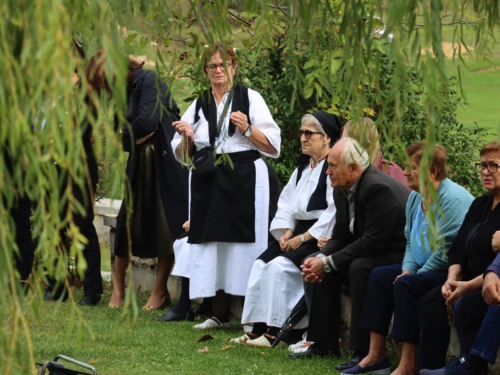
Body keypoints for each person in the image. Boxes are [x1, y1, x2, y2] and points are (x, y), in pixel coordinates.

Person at [170, 42, 281, 329]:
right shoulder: (199, 103)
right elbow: (182, 155)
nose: (218, 70)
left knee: (245, 244)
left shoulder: (250, 98)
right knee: (214, 243)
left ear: (234, 67)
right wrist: (188, 139)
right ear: (206, 71)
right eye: (212, 66)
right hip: (209, 179)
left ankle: (250, 317)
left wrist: (247, 128)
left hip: (245, 177)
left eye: (224, 65)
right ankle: (217, 314)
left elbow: (273, 145)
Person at [341, 142, 473, 375]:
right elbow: (410, 241)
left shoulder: (451, 200)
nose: (404, 172)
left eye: (411, 167)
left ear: (431, 172)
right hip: (423, 267)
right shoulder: (415, 198)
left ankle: (408, 364)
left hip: (449, 270)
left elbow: (445, 251)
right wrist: (408, 269)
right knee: (380, 276)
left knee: (406, 285)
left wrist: (414, 276)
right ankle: (376, 355)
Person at [85, 50, 189, 310]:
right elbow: (122, 128)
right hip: (140, 162)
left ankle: (159, 291)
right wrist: (126, 134)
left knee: (166, 224)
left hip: (164, 162)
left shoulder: (149, 80)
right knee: (125, 225)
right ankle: (118, 290)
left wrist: (126, 133)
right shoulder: (125, 91)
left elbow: (148, 120)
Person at [290, 137, 410, 363]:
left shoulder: (377, 188)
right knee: (314, 259)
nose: (328, 172)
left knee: (359, 268)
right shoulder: (342, 187)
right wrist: (322, 259)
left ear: (353, 169)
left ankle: (363, 350)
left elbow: (372, 242)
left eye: (333, 166)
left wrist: (328, 262)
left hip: (398, 254)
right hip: (372, 250)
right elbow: (342, 236)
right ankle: (323, 343)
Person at [227, 111, 340, 347]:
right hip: (296, 231)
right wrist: (286, 232)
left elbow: (333, 211)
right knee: (260, 264)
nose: (302, 138)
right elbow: (287, 203)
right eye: (302, 133)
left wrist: (302, 238)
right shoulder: (303, 167)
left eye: (309, 133)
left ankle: (277, 332)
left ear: (327, 137)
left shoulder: (332, 167)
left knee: (280, 266)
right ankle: (255, 329)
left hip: (316, 235)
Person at [415, 140, 500, 372]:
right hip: (465, 280)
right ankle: (427, 367)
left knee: (467, 304)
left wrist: (467, 286)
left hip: (487, 285)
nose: (485, 171)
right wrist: (452, 279)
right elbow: (457, 247)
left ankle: (468, 367)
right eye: (482, 165)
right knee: (432, 302)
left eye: (493, 165)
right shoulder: (480, 204)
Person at [44, 38, 103, 306]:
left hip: (79, 167)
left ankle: (92, 290)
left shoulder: (87, 91)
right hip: (53, 167)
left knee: (81, 225)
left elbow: (82, 130)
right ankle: (55, 286)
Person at [419, 236, 500, 374]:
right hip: (478, 278)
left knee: (478, 301)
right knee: (433, 302)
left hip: (480, 279)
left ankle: (470, 365)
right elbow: (456, 247)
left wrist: (487, 275)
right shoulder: (477, 213)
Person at [342, 117, 407, 187]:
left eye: (347, 143)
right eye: (341, 142)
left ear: (366, 145)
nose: (341, 147)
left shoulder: (392, 173)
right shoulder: (347, 172)